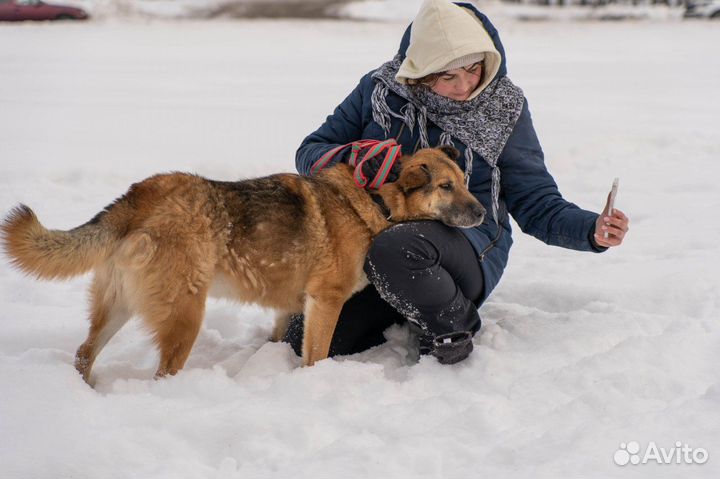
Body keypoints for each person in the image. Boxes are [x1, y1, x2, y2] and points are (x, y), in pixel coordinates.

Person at [284, 0, 630, 364]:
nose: (464, 85)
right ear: (419, 71)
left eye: (473, 68)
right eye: (446, 76)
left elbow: (536, 200)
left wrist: (591, 230)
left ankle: (453, 322)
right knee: (303, 336)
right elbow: (312, 151)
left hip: (466, 241)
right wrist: (356, 161)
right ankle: (408, 302)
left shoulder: (504, 108)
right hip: (370, 241)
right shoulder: (380, 90)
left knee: (397, 247)